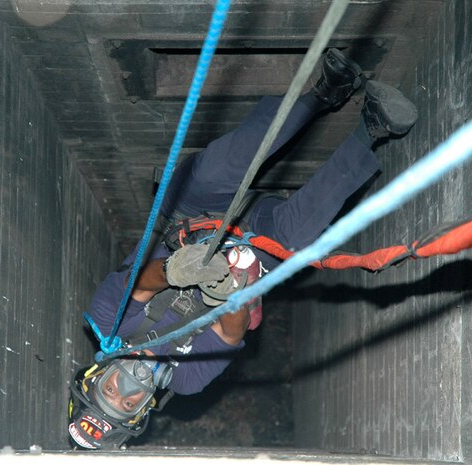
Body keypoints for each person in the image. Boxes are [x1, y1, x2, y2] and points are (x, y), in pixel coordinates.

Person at [67, 49, 418, 449]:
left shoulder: (105, 322)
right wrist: (231, 296)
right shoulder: (185, 380)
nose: (128, 388)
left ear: (98, 375)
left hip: (190, 215)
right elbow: (229, 336)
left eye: (111, 391)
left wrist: (173, 273)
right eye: (128, 403)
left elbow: (140, 287)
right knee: (299, 237)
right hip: (252, 247)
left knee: (218, 168)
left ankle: (323, 94)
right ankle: (370, 131)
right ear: (144, 408)